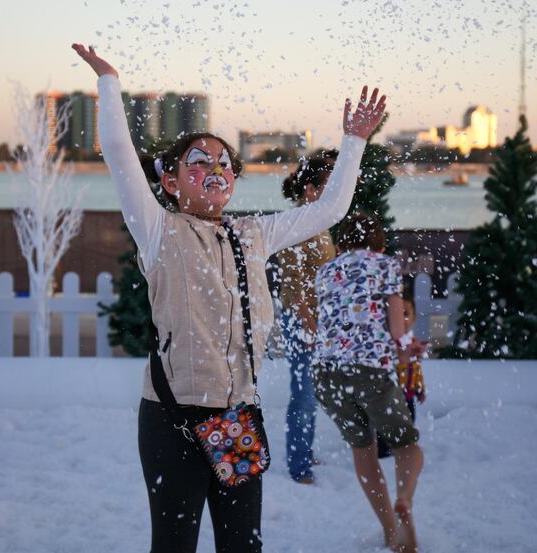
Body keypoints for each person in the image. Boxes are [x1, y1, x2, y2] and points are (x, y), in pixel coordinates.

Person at [72, 43, 385, 553]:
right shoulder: (158, 231)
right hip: (172, 423)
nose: (215, 168)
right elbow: (120, 153)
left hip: (236, 418)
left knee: (243, 545)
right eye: (199, 161)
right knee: (174, 545)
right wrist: (109, 82)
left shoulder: (255, 235)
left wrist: (352, 142)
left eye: (225, 162)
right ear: (170, 182)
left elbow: (330, 209)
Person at [312, 212, 425, 553]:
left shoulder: (326, 271)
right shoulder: (385, 265)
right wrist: (407, 349)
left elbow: (331, 322)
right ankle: (403, 499)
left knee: (363, 451)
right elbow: (395, 326)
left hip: (327, 374)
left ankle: (391, 531)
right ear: (379, 243)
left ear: (342, 242)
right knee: (407, 446)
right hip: (369, 372)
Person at [277, 156, 337, 484]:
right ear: (312, 189)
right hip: (301, 318)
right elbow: (294, 283)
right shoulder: (297, 222)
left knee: (310, 390)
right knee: (303, 392)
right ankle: (299, 464)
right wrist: (310, 325)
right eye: (328, 185)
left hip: (316, 318)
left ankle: (304, 451)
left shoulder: (318, 220)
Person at [378, 293, 427, 459]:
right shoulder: (387, 341)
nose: (402, 319)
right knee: (386, 421)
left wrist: (419, 388)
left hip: (408, 393)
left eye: (406, 314)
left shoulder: (413, 341)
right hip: (389, 393)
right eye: (397, 314)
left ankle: (402, 445)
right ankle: (383, 449)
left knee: (409, 418)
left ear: (414, 317)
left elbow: (416, 368)